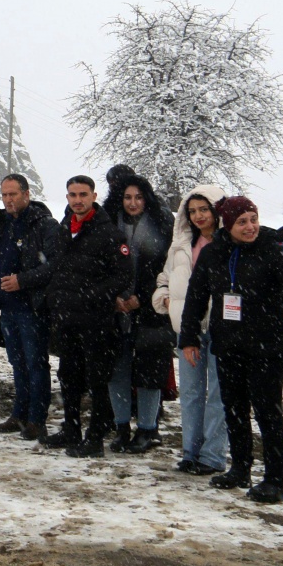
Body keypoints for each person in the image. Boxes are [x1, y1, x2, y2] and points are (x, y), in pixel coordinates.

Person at [180, 197, 283, 504]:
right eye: (242, 222)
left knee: (268, 413)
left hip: (267, 346)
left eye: (253, 219)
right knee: (234, 411)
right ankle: (240, 468)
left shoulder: (272, 250)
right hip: (229, 345)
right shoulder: (214, 253)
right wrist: (189, 337)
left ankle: (274, 480)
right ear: (228, 225)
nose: (250, 227)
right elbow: (195, 295)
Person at [42, 176, 129, 457]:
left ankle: (95, 437)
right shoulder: (64, 228)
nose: (77, 200)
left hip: (96, 320)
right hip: (67, 318)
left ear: (93, 195)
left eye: (82, 194)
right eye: (72, 195)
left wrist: (91, 296)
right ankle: (72, 428)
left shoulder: (110, 233)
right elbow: (57, 267)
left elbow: (122, 275)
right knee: (68, 376)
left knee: (97, 379)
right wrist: (55, 298)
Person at [153, 184, 230, 476]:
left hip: (222, 328)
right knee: (191, 393)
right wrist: (164, 299)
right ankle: (191, 452)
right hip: (188, 329)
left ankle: (212, 456)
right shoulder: (182, 244)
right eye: (192, 211)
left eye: (204, 209)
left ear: (216, 210)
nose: (198, 216)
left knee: (218, 395)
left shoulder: (229, 243)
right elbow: (166, 276)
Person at [0, 175, 59, 440]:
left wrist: (22, 280)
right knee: (17, 363)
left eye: (13, 194)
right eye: (4, 195)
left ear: (26, 195)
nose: (8, 200)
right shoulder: (4, 225)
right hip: (8, 308)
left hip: (32, 307)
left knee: (35, 364)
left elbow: (53, 265)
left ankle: (36, 419)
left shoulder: (43, 225)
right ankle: (19, 414)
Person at [108, 174, 173, 453]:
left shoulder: (162, 226)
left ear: (146, 198)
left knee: (149, 372)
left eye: (138, 197)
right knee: (117, 371)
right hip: (115, 310)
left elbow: (165, 269)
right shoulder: (109, 224)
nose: (132, 203)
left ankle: (147, 429)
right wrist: (113, 296)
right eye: (127, 197)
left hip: (151, 312)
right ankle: (121, 427)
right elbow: (101, 264)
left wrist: (142, 298)